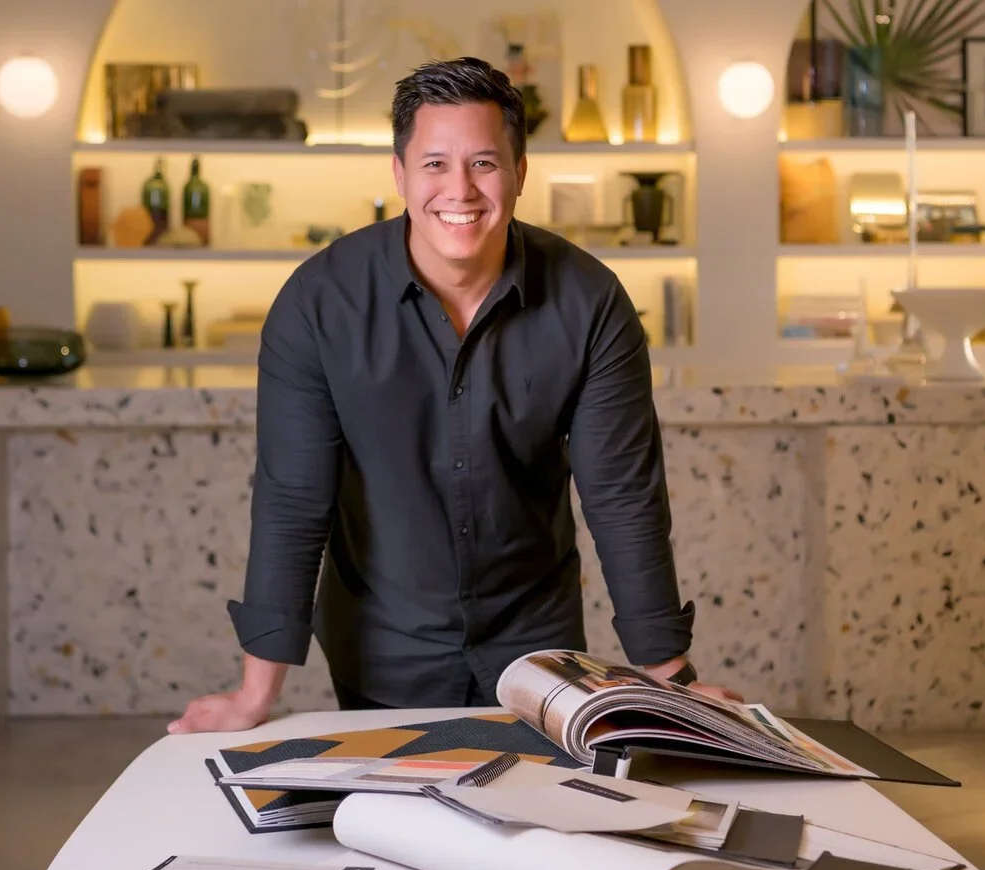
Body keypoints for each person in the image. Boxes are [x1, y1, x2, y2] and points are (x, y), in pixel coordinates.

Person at [169, 57, 739, 735]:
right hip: (381, 646)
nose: (459, 189)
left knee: (540, 803)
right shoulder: (318, 304)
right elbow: (293, 500)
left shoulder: (591, 303)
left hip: (537, 648)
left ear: (520, 171)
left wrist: (672, 680)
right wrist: (253, 693)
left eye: (484, 163)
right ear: (400, 173)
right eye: (434, 163)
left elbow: (622, 496)